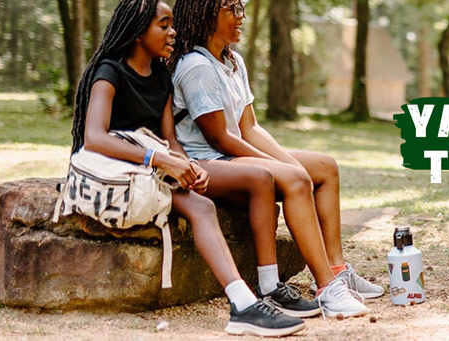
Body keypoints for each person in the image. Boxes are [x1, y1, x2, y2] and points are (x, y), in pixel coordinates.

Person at [69, 0, 303, 336]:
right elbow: (93, 139)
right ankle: (243, 303)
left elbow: (169, 138)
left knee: (233, 192)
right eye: (163, 25)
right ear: (138, 33)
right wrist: (159, 160)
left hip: (154, 171)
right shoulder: (109, 72)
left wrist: (187, 164)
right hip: (122, 175)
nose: (173, 32)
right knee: (203, 207)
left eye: (172, 24)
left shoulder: (162, 75)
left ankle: (257, 296)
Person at [168, 0, 379, 319]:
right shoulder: (196, 66)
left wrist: (284, 161)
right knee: (295, 179)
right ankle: (327, 289)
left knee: (324, 167)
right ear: (208, 14)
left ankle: (337, 270)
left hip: (232, 151)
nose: (241, 17)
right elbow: (220, 138)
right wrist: (285, 170)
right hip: (210, 160)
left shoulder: (233, 61)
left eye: (241, 9)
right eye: (232, 10)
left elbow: (249, 127)